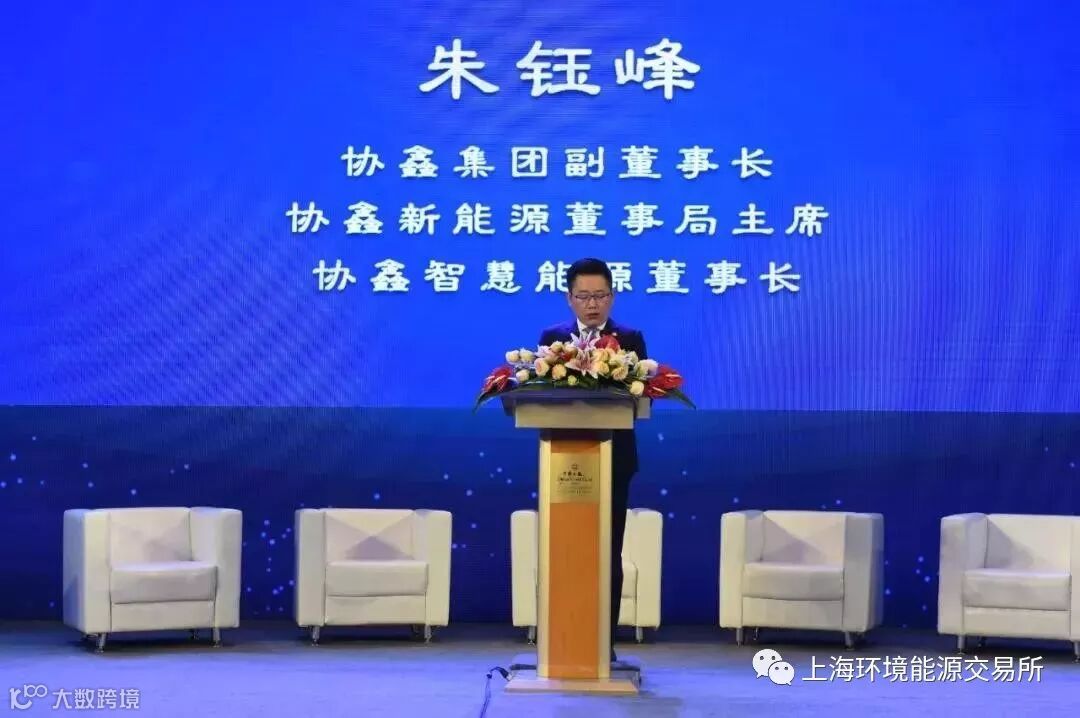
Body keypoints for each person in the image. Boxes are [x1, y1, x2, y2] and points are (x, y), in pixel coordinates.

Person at [538, 257, 647, 664]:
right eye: (583, 296)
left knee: (606, 551)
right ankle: (562, 640)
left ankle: (603, 643)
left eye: (600, 295)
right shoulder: (553, 340)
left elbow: (639, 398)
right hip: (561, 464)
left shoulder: (630, 339)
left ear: (612, 297)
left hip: (614, 462)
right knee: (564, 553)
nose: (592, 304)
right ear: (569, 298)